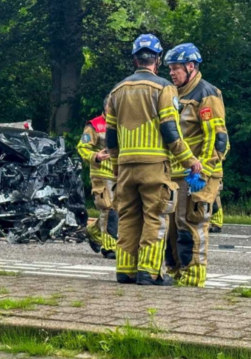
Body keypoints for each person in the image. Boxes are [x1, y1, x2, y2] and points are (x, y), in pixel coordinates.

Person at [105, 34, 201, 286]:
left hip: (125, 168)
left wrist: (116, 166)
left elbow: (111, 136)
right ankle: (149, 272)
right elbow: (171, 130)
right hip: (155, 167)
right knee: (155, 217)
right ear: (157, 60)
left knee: (127, 217)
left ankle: (125, 271)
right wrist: (189, 159)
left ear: (135, 59)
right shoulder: (164, 88)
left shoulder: (117, 91)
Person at [163, 43, 229, 287]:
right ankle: (176, 271)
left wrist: (205, 170)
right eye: (169, 68)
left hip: (197, 174)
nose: (171, 72)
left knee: (190, 224)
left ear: (191, 66)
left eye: (176, 68)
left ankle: (193, 277)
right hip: (176, 173)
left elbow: (217, 137)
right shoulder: (175, 94)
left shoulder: (206, 93)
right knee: (171, 228)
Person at [77, 98, 118, 259]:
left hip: (119, 174)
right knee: (108, 209)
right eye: (111, 106)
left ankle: (92, 231)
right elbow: (82, 147)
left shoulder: (123, 124)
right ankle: (109, 247)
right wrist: (96, 156)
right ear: (105, 106)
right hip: (101, 174)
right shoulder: (94, 125)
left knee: (119, 210)